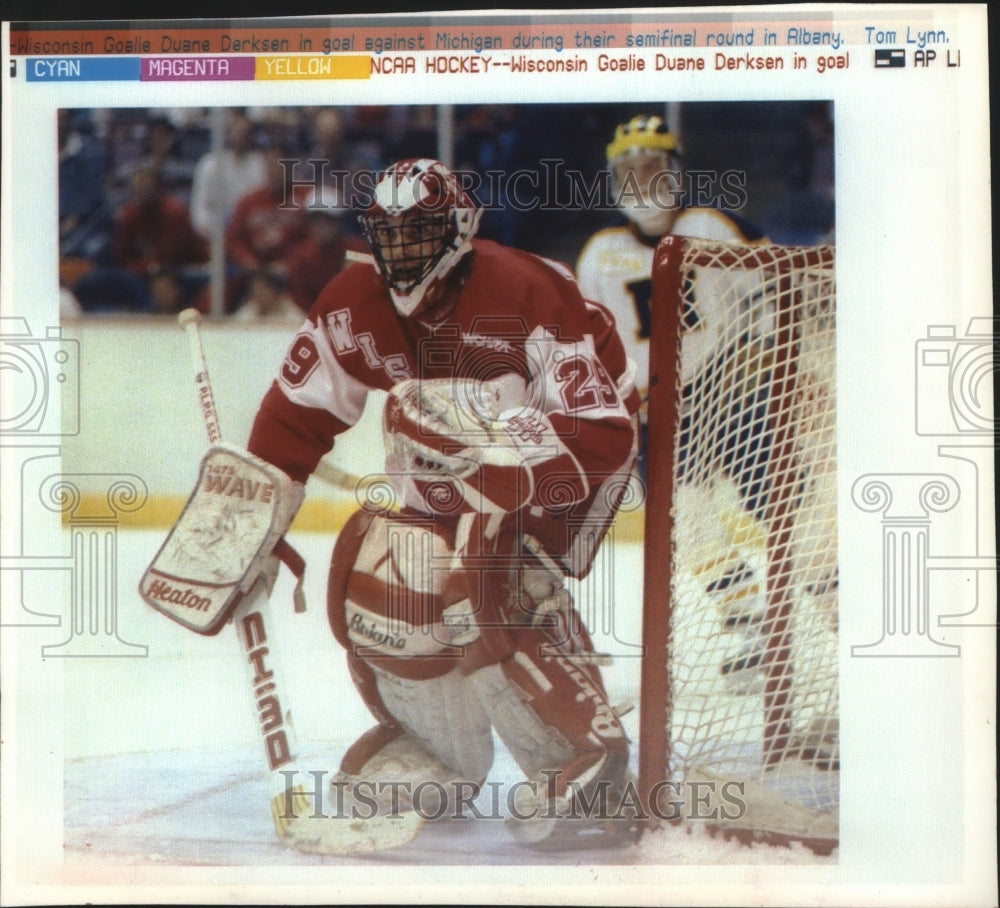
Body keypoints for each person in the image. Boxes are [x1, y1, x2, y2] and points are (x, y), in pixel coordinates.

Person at [245, 158, 641, 848]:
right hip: (465, 458)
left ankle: (583, 759)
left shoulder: (524, 289)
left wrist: (488, 446)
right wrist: (251, 517)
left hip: (576, 447)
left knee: (487, 576)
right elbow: (294, 414)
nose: (399, 253)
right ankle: (439, 752)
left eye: (418, 232)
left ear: (460, 228)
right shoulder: (351, 301)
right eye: (387, 235)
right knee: (390, 567)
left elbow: (605, 435)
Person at [576, 114, 771, 694]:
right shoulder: (600, 253)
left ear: (676, 172)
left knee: (784, 507)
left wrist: (769, 368)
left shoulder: (714, 225)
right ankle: (748, 625)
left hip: (734, 393)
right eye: (628, 171)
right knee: (685, 522)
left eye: (652, 167)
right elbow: (592, 346)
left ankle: (837, 612)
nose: (640, 181)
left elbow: (777, 297)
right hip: (656, 414)